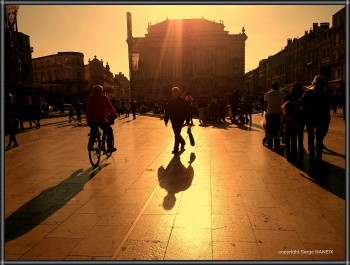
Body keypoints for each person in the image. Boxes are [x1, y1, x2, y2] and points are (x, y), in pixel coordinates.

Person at [298, 75, 330, 162]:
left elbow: (300, 103)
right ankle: (319, 156)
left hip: (309, 118)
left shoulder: (308, 92)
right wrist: (327, 121)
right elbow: (327, 108)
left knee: (310, 138)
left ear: (314, 83)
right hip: (321, 118)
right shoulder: (325, 93)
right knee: (319, 139)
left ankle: (312, 156)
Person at [87, 85, 117, 153]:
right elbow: (110, 107)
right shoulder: (104, 98)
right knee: (109, 131)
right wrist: (114, 114)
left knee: (94, 129)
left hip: (90, 119)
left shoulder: (90, 97)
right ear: (102, 91)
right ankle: (110, 147)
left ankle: (91, 144)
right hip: (101, 119)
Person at [164, 87, 190, 154]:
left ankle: (176, 149)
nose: (174, 93)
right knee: (177, 133)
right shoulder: (171, 101)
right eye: (173, 92)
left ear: (178, 93)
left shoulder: (183, 101)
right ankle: (182, 142)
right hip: (173, 120)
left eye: (176, 92)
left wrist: (187, 120)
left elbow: (187, 111)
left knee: (177, 133)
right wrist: (166, 119)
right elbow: (167, 111)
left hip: (180, 120)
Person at [282, 81, 305, 153]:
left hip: (290, 117)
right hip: (300, 115)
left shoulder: (289, 95)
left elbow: (284, 104)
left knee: (291, 132)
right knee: (300, 131)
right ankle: (300, 146)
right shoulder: (303, 95)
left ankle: (290, 146)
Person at [264, 82, 286, 150]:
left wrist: (266, 112)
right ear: (278, 87)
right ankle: (277, 144)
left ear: (272, 87)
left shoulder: (267, 94)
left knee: (270, 129)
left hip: (270, 113)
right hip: (279, 113)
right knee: (278, 129)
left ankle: (270, 143)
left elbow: (265, 105)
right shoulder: (283, 94)